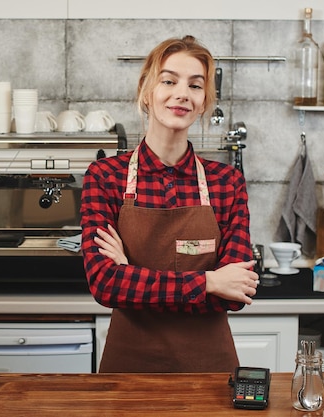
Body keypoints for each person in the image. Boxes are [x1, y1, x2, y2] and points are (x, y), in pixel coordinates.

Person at [80, 35, 259, 373]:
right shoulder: (106, 177)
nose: (182, 94)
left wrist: (130, 274)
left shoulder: (226, 182)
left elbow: (236, 293)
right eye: (169, 80)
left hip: (210, 370)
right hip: (128, 371)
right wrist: (208, 281)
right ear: (147, 92)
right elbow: (104, 284)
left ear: (204, 101)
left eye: (195, 85)